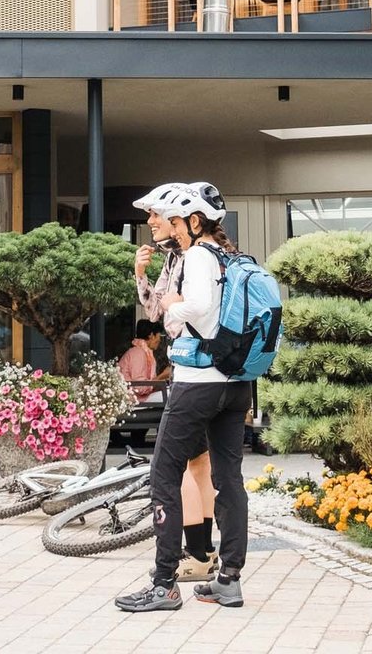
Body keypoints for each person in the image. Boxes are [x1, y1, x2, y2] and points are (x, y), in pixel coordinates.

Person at [116, 181, 251, 613]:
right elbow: (185, 307)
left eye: (172, 219)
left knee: (163, 475)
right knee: (228, 479)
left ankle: (164, 584)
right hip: (235, 383)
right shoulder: (228, 257)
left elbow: (189, 308)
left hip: (197, 382)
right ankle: (228, 580)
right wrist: (158, 290)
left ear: (193, 221)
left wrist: (174, 305)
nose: (164, 225)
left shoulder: (194, 255)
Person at [118, 320, 167, 403]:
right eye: (159, 336)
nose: (160, 340)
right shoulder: (138, 353)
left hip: (137, 397)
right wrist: (162, 376)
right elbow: (140, 388)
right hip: (134, 400)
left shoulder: (141, 351)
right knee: (173, 396)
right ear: (151, 335)